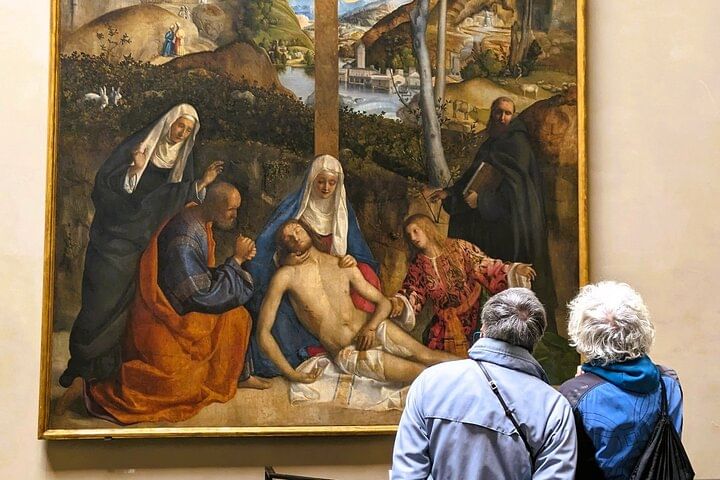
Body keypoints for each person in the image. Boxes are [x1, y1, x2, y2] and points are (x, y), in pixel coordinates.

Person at [59, 104, 224, 390]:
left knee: (127, 308)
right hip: (112, 239)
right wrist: (134, 170)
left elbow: (176, 201)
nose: (181, 133)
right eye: (179, 126)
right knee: (99, 301)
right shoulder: (140, 147)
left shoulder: (182, 160)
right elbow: (103, 187)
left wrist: (201, 184)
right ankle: (80, 362)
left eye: (187, 131)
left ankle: (105, 371)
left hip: (144, 243)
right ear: (169, 122)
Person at [73, 183, 268, 424]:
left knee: (238, 317)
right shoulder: (184, 239)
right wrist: (236, 260)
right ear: (215, 205)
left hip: (185, 307)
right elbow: (201, 296)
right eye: (231, 209)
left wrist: (234, 265)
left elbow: (201, 280)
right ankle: (93, 391)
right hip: (166, 319)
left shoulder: (199, 219)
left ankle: (239, 374)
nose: (234, 215)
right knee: (180, 386)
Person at [392, 288, 577, 480]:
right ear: (535, 339)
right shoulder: (553, 407)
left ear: (484, 328)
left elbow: (406, 475)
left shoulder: (430, 383)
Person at [257, 220, 458, 385]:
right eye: (288, 237)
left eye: (297, 230)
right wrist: (292, 374)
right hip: (349, 351)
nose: (295, 237)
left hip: (373, 328)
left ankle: (477, 368)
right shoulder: (286, 276)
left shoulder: (341, 263)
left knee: (427, 355)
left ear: (308, 230)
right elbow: (263, 333)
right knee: (421, 373)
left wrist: (370, 328)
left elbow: (384, 303)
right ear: (283, 246)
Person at [430, 96, 558, 331]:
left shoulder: (518, 144)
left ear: (513, 116)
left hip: (511, 227)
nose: (502, 118)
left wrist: (482, 201)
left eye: (507, 113)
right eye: (498, 112)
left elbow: (517, 192)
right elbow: (473, 177)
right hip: (489, 224)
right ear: (492, 114)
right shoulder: (492, 143)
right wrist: (450, 193)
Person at [247, 154, 380, 377]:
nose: (326, 188)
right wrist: (286, 260)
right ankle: (313, 350)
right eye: (321, 182)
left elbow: (356, 249)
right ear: (312, 180)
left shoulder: (342, 208)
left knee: (366, 276)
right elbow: (270, 245)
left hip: (334, 271)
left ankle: (357, 341)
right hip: (301, 275)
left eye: (332, 182)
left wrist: (351, 259)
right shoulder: (295, 206)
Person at [559, 281, 684, 480]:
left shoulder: (573, 394)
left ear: (584, 334)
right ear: (641, 327)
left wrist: (580, 387)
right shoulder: (669, 381)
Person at [389, 213, 535, 356]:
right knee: (438, 355)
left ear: (427, 228)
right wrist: (400, 302)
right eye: (409, 235)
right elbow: (413, 289)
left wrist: (514, 270)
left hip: (475, 316)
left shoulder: (459, 247)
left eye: (416, 231)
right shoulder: (418, 264)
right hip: (445, 324)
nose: (413, 237)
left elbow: (485, 266)